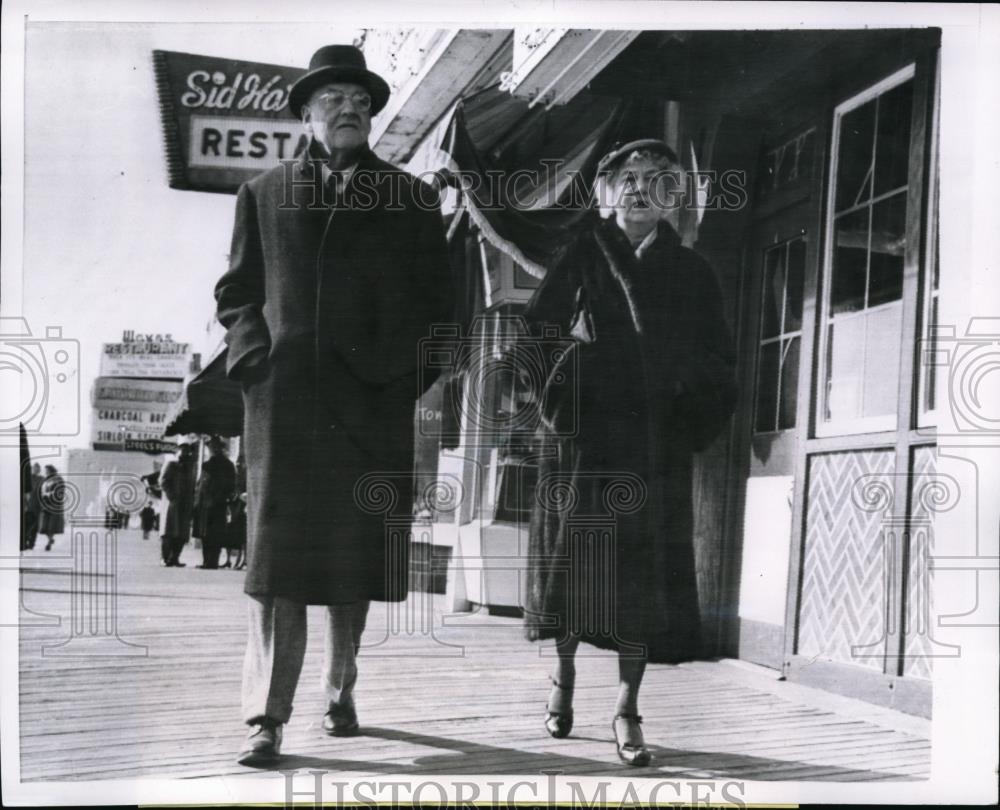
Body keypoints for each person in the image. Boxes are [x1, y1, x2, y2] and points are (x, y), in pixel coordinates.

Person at [214, 44, 453, 766]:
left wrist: (397, 378)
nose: (348, 109)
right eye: (332, 99)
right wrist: (258, 360)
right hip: (283, 410)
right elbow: (236, 296)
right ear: (306, 113)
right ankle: (267, 717)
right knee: (277, 566)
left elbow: (440, 309)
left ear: (372, 114)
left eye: (360, 100)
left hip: (371, 410)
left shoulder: (412, 199)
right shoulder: (262, 193)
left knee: (353, 560)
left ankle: (339, 687)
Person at [522, 139, 738, 766]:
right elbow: (537, 339)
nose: (640, 188)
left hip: (652, 447)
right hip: (583, 445)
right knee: (569, 575)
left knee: (638, 587)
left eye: (656, 179)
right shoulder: (578, 257)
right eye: (627, 177)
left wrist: (677, 388)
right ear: (605, 192)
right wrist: (579, 377)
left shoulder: (693, 272)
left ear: (674, 196)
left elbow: (718, 362)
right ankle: (562, 682)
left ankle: (626, 709)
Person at [193, 436, 237, 569]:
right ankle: (211, 561)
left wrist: (201, 500)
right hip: (217, 503)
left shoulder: (211, 465)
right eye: (210, 447)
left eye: (212, 447)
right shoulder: (228, 465)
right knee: (213, 533)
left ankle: (209, 561)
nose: (211, 449)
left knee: (207, 533)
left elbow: (203, 485)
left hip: (210, 503)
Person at [160, 437, 198, 567]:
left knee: (182, 533)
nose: (185, 453)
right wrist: (171, 495)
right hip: (173, 503)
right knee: (169, 531)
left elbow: (193, 485)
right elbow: (163, 481)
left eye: (187, 450)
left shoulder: (191, 467)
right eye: (183, 450)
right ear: (178, 451)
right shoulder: (171, 464)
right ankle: (165, 558)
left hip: (186, 503)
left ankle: (175, 557)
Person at [38, 464, 66, 551]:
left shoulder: (58, 479)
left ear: (51, 470)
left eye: (47, 470)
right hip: (45, 505)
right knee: (44, 526)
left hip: (54, 505)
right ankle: (50, 539)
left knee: (51, 526)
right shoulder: (45, 480)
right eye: (45, 470)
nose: (45, 472)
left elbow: (60, 491)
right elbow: (42, 491)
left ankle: (49, 542)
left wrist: (49, 495)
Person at [23, 463, 43, 550]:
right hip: (28, 504)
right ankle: (25, 541)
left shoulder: (42, 479)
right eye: (35, 468)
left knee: (35, 526)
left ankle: (31, 543)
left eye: (37, 468)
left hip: (37, 505)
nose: (36, 470)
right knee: (26, 524)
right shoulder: (28, 478)